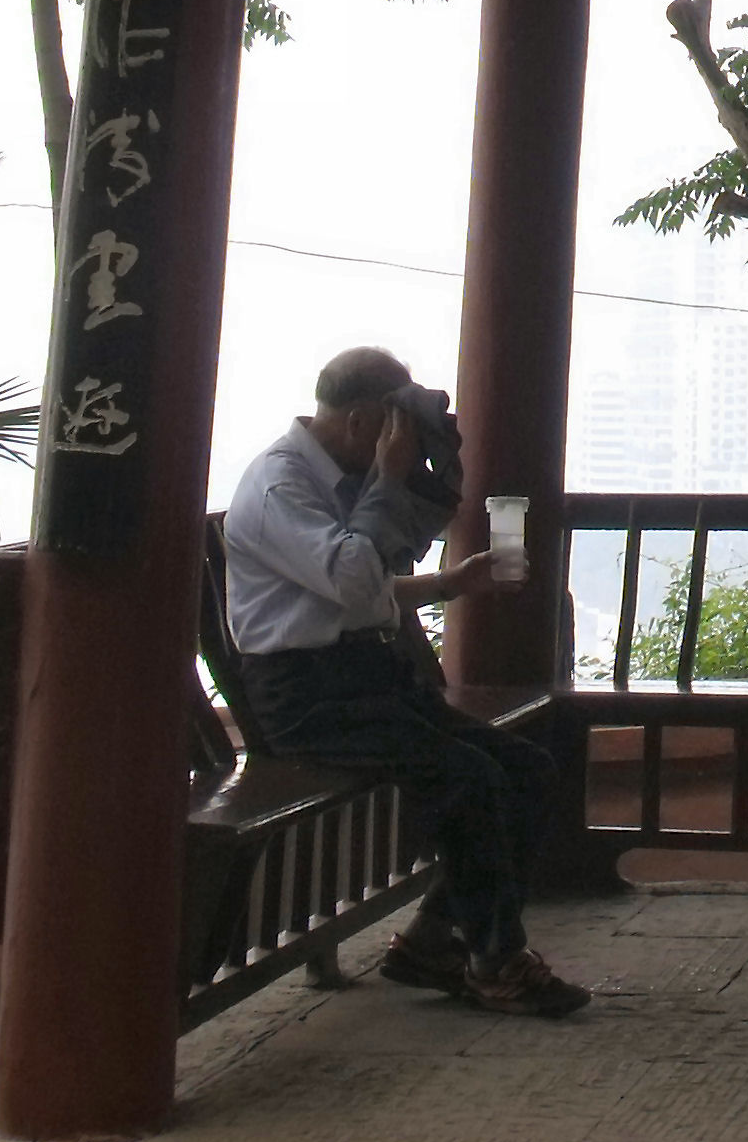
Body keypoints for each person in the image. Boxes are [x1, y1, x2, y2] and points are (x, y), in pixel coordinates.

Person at [219, 344, 591, 1017]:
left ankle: (433, 940)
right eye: (398, 430)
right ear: (364, 421)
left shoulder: (337, 476)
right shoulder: (280, 486)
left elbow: (361, 590)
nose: (402, 447)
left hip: (364, 680)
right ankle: (497, 960)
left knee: (527, 769)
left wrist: (451, 583)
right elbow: (352, 577)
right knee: (469, 779)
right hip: (306, 698)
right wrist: (388, 484)